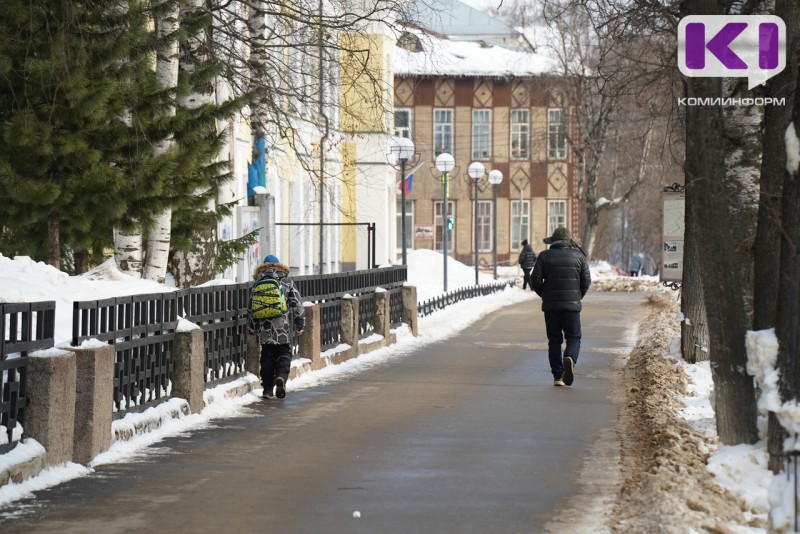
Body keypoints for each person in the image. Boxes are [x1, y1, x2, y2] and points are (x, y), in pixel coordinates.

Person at [531, 227, 591, 387]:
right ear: (568, 241)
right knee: (574, 338)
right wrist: (577, 296)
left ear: (554, 241)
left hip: (551, 307)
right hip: (572, 307)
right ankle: (570, 356)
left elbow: (535, 281)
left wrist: (545, 295)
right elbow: (586, 281)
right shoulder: (579, 256)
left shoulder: (544, 256)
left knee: (554, 341)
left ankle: (558, 376)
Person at [248, 254, 305, 399]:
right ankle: (281, 377)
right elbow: (297, 304)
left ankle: (267, 389)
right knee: (284, 353)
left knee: (267, 356)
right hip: (282, 327)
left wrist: (252, 327)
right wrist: (299, 323)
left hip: (264, 327)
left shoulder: (258, 282)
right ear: (279, 265)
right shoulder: (287, 281)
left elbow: (251, 308)